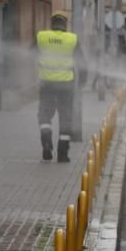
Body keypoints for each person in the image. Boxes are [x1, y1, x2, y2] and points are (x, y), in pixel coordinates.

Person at [36, 12, 84, 163]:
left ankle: (45, 141)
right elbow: (81, 62)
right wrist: (82, 80)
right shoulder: (72, 39)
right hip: (66, 84)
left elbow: (29, 55)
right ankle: (62, 154)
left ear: (52, 24)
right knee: (65, 116)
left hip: (46, 83)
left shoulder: (42, 37)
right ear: (65, 24)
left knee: (44, 113)